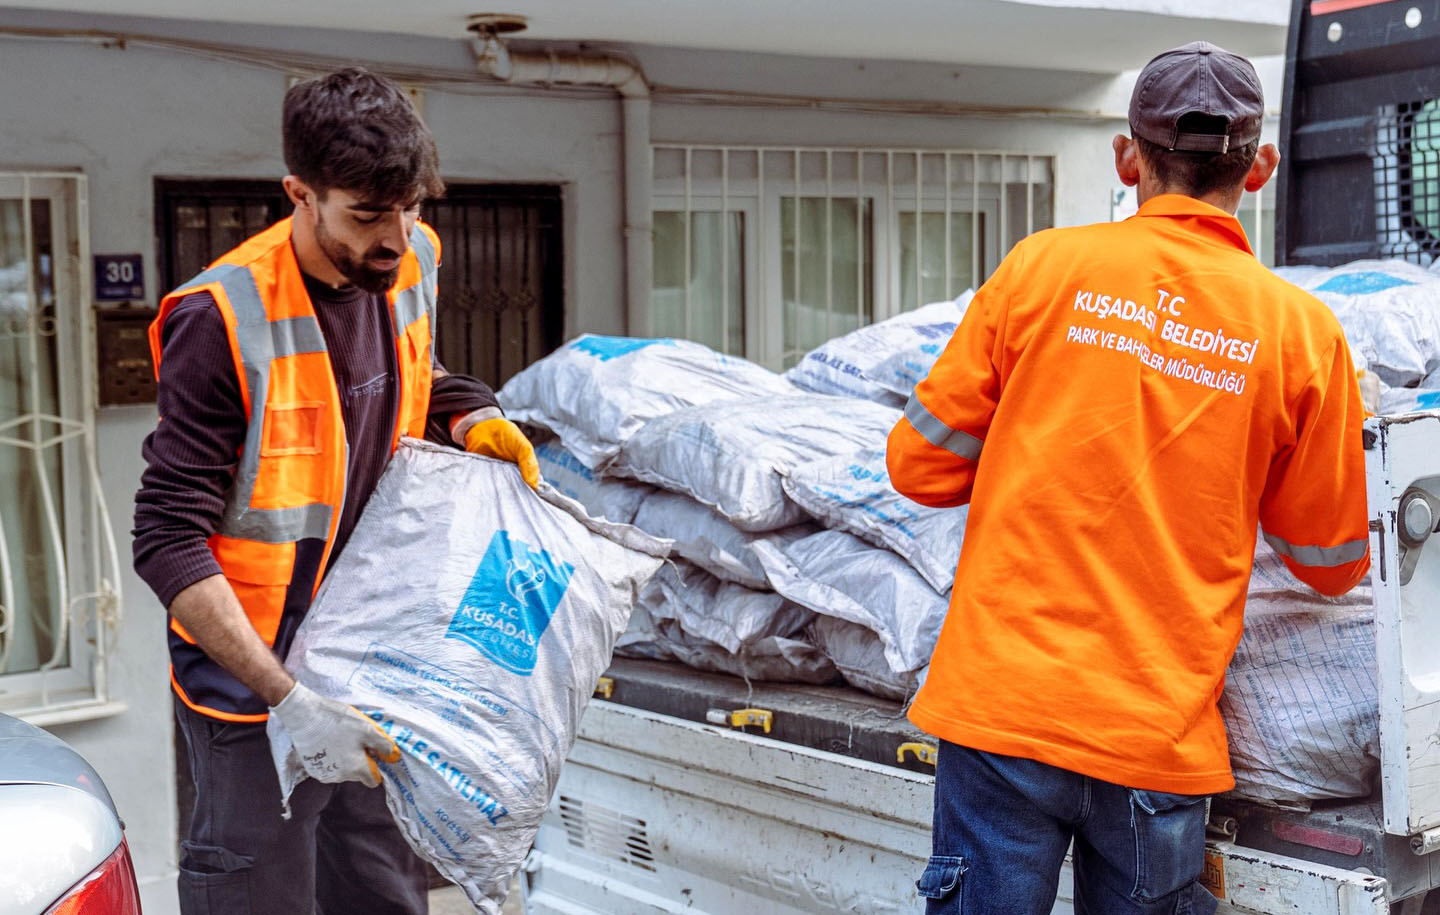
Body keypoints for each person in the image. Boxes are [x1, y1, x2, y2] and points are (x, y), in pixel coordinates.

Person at [887, 42, 1371, 915]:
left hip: (1004, 711)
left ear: (1126, 157)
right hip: (1157, 738)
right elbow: (1330, 562)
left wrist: (1043, 433)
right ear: (1259, 167)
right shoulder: (1303, 333)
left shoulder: (1040, 269)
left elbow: (917, 465)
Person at [133, 67, 539, 914]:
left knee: (384, 891)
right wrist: (290, 698)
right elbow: (166, 538)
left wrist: (473, 415)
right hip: (259, 688)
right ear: (300, 194)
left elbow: (411, 376)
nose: (395, 237)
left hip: (370, 659)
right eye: (367, 215)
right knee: (261, 895)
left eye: (412, 209)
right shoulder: (223, 316)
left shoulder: (411, 259)